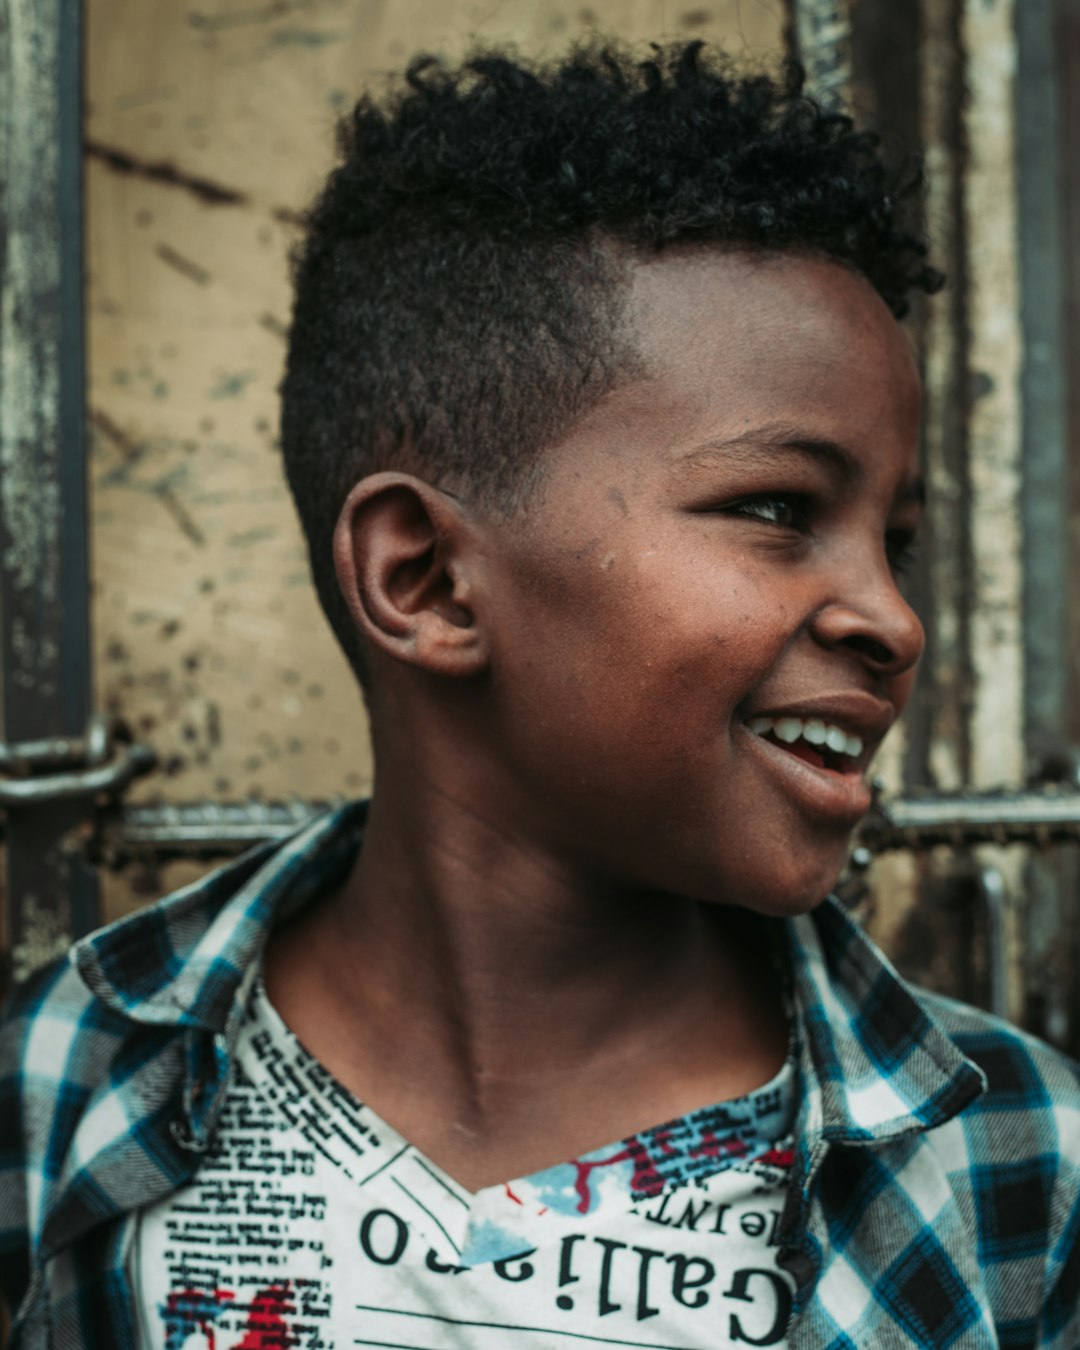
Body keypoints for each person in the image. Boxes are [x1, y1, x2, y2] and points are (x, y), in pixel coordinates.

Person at [2, 40, 1078, 1350]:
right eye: (779, 509)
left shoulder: (1016, 1165)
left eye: (893, 539)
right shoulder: (60, 1090)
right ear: (429, 579)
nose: (894, 620)